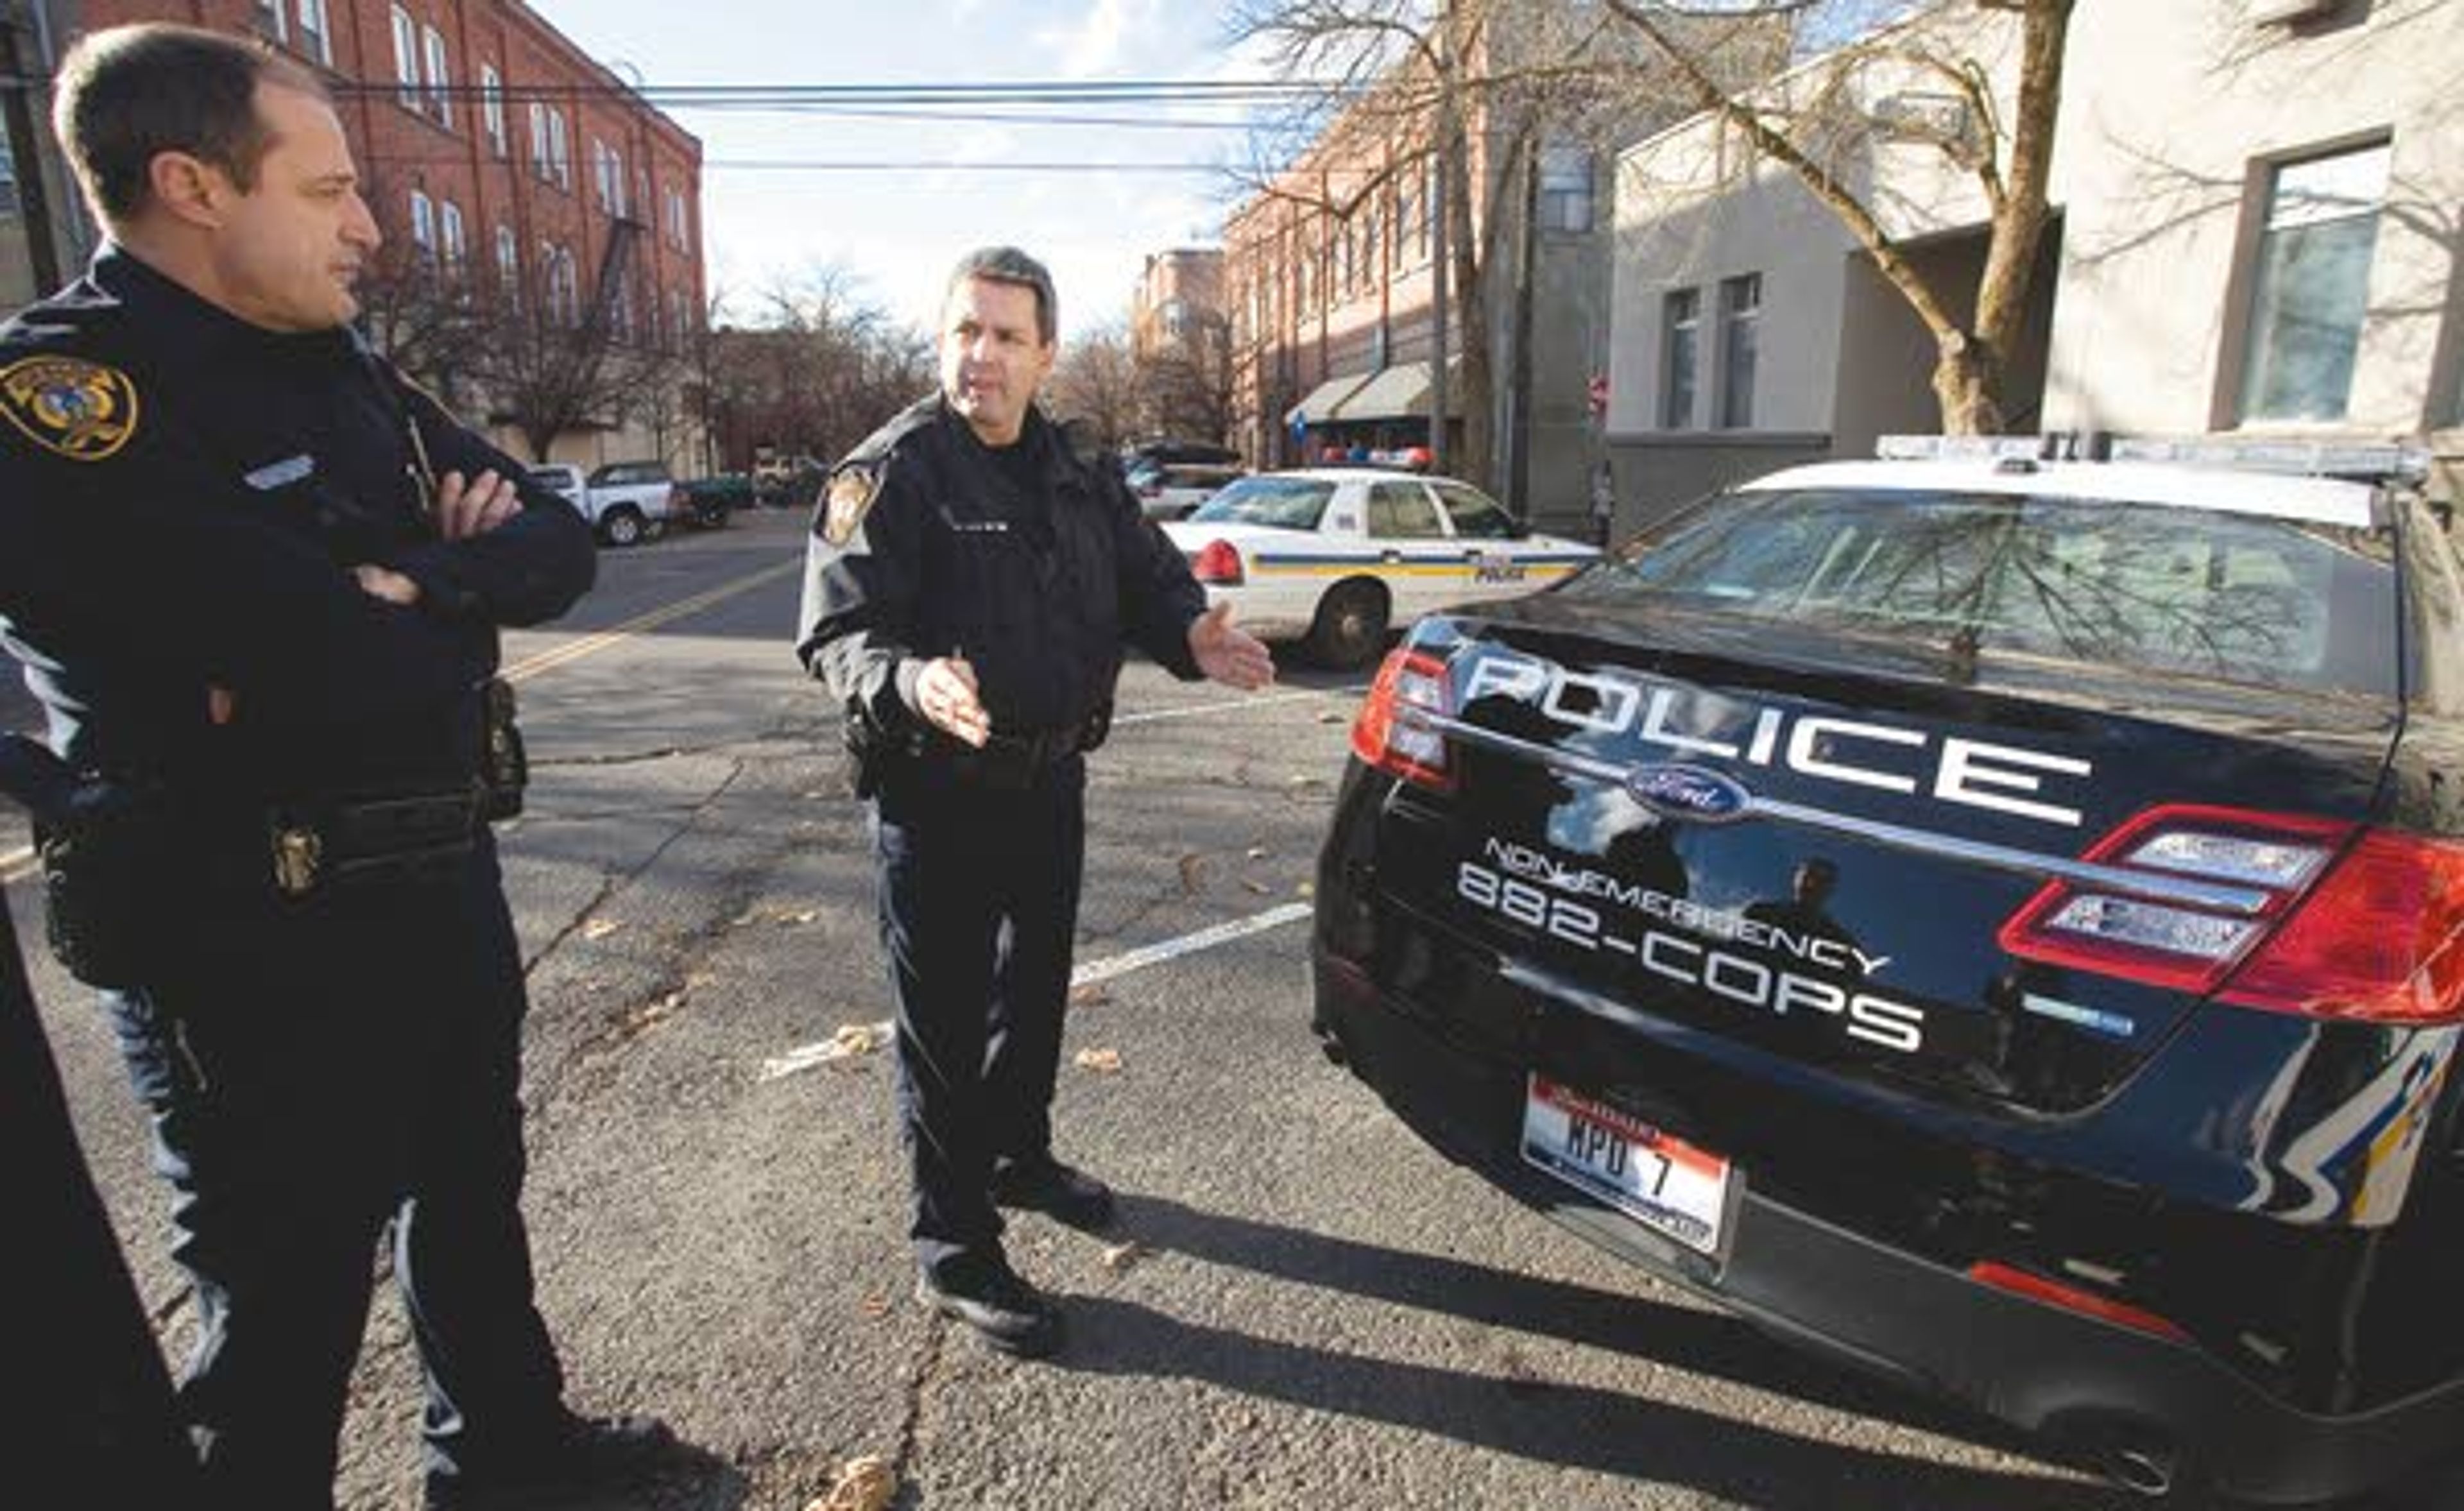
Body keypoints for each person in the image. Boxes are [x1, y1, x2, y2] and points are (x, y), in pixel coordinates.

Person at [0, 26, 669, 1510]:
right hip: (248, 928)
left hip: (436, 875)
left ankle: (504, 1464)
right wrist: (440, 579)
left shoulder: (343, 364)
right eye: (329, 190)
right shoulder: (64, 396)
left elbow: (554, 547)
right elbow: (304, 643)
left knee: (472, 1212)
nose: (368, 225)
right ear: (191, 186)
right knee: (285, 1308)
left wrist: (406, 591)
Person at [797, 246, 1275, 1359]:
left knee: (1038, 996)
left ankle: (1016, 1156)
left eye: (1009, 337)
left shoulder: (1075, 464)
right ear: (942, 341)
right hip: (936, 792)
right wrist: (910, 681)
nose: (984, 357)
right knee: (947, 1030)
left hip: (1050, 781)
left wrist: (1193, 631)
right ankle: (953, 1247)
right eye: (967, 331)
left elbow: (1146, 572)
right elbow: (838, 631)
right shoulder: (895, 471)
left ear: (1046, 354)